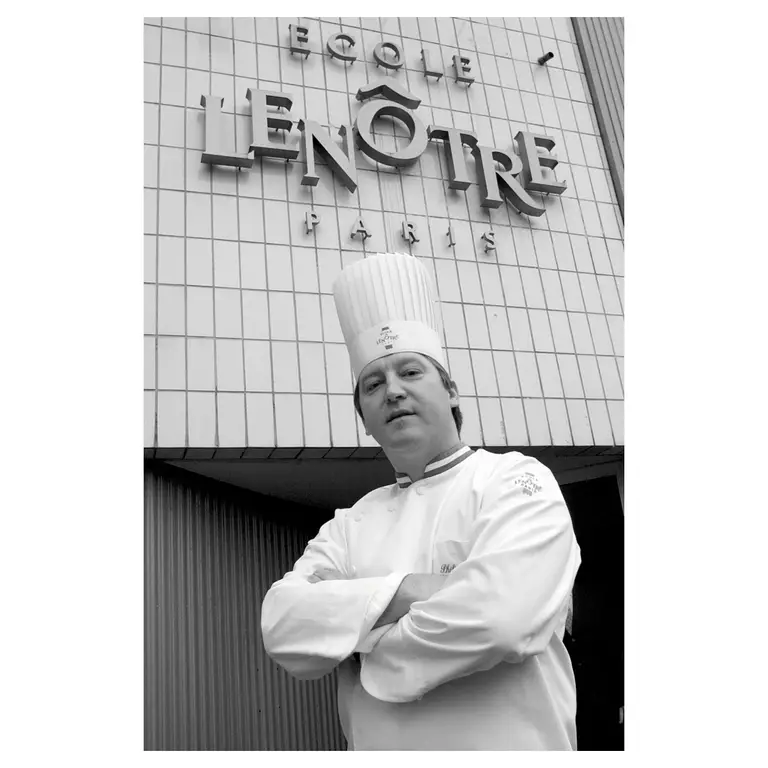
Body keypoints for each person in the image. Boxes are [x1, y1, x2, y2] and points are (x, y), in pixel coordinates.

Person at [260, 252, 581, 750]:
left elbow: (499, 619)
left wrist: (355, 630)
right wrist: (422, 589)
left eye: (410, 372)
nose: (392, 391)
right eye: (373, 383)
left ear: (451, 391)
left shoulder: (516, 480)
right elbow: (282, 625)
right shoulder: (351, 521)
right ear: (364, 418)